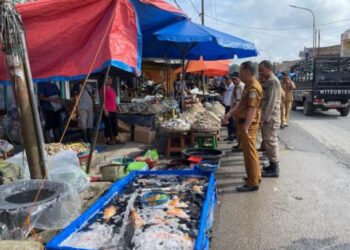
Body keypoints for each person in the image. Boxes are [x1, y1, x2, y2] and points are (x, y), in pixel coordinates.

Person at [224, 61, 263, 192]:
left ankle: (253, 183)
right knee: (251, 153)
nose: (239, 74)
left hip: (249, 125)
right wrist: (229, 114)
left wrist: (246, 127)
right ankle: (255, 176)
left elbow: (252, 109)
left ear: (248, 71)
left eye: (241, 71)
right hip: (245, 123)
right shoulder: (248, 85)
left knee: (249, 154)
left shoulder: (253, 87)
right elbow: (240, 105)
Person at [258, 60, 281, 178]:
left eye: (262, 70)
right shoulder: (268, 81)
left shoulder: (273, 81)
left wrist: (265, 118)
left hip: (271, 117)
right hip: (268, 116)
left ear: (269, 69)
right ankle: (272, 165)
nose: (260, 73)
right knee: (268, 141)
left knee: (271, 141)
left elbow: (271, 102)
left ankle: (275, 168)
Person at [224, 72, 245, 150]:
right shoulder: (235, 87)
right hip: (236, 108)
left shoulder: (242, 86)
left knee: (241, 128)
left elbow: (242, 101)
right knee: (237, 128)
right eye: (232, 79)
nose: (233, 81)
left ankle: (242, 145)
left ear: (239, 78)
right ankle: (239, 144)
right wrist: (231, 111)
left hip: (241, 109)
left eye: (235, 79)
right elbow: (232, 99)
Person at [101, 76, 120, 145]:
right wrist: (105, 110)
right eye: (109, 79)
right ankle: (107, 139)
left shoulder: (112, 89)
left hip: (113, 109)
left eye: (111, 79)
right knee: (108, 125)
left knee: (115, 124)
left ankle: (116, 138)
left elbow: (114, 100)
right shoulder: (103, 89)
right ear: (105, 80)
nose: (110, 80)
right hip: (107, 109)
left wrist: (118, 107)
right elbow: (102, 101)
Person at [222, 75, 235, 142]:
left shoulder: (233, 86)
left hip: (231, 106)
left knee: (232, 122)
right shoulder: (227, 87)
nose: (226, 81)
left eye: (227, 79)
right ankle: (229, 136)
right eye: (225, 79)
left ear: (230, 79)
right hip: (227, 106)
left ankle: (233, 137)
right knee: (228, 122)